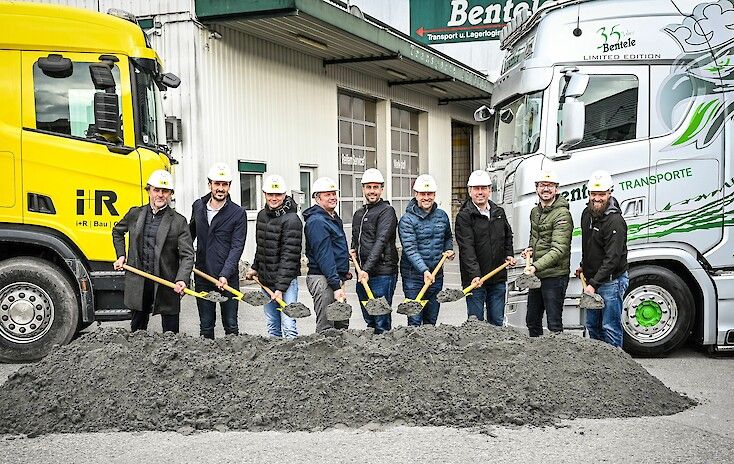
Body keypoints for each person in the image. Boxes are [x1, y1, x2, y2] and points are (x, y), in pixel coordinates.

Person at [112, 170, 194, 333]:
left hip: (167, 283)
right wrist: (121, 256)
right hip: (139, 281)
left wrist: (182, 279)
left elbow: (188, 255)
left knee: (170, 335)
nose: (160, 195)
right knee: (137, 331)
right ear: (148, 190)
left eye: (165, 191)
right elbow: (117, 232)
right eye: (156, 190)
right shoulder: (135, 214)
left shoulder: (178, 221)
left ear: (171, 194)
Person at [189, 163, 246, 339]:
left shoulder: (238, 213)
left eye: (224, 184)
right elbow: (188, 236)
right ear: (210, 184)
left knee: (230, 324)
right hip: (203, 275)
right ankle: (208, 363)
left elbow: (237, 247)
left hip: (227, 278)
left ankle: (233, 362)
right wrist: (183, 260)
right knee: (206, 325)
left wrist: (225, 274)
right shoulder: (198, 206)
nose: (220, 188)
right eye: (217, 184)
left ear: (229, 186)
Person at [455, 169, 516, 326]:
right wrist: (475, 274)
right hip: (476, 279)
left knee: (496, 321)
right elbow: (466, 248)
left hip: (497, 277)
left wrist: (509, 254)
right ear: (470, 191)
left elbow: (507, 236)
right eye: (476, 188)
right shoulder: (464, 216)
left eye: (484, 188)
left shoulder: (499, 212)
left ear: (490, 190)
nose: (480, 192)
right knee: (476, 323)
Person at [576, 170, 629, 348]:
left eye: (601, 194)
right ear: (588, 194)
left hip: (611, 283)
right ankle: (598, 370)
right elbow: (589, 246)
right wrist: (584, 266)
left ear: (609, 193)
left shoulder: (615, 221)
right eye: (593, 194)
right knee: (592, 326)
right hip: (594, 281)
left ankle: (617, 370)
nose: (597, 198)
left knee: (610, 327)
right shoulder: (586, 214)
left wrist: (593, 284)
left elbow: (612, 259)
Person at [246, 174, 302, 338]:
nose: (274, 198)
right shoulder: (262, 215)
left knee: (288, 324)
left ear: (285, 195)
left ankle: (294, 361)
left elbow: (289, 257)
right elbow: (262, 246)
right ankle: (275, 361)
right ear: (264, 194)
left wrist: (280, 289)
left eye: (278, 194)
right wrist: (255, 268)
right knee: (272, 325)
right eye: (270, 194)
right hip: (266, 280)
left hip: (285, 283)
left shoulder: (292, 220)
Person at [398, 174, 454, 326]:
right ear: (416, 195)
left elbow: (448, 237)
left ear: (434, 195)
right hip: (413, 277)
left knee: (431, 319)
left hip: (436, 275)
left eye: (429, 194)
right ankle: (413, 350)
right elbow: (410, 249)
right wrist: (424, 270)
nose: (426, 197)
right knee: (415, 319)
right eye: (423, 194)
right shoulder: (406, 220)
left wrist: (449, 249)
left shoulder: (442, 216)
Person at [522, 169, 573, 337]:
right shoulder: (535, 212)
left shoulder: (562, 214)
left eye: (550, 185)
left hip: (555, 275)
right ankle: (537, 358)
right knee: (532, 320)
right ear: (536, 188)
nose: (546, 189)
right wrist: (530, 250)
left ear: (556, 189)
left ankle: (557, 359)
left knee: (554, 322)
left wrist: (535, 266)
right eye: (542, 185)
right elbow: (535, 237)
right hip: (538, 274)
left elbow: (559, 249)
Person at [350, 168, 399, 334]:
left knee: (381, 319)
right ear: (363, 188)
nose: (372, 191)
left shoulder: (387, 211)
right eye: (368, 187)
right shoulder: (359, 214)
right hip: (363, 273)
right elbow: (356, 237)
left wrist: (366, 269)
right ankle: (371, 354)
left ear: (381, 189)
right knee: (369, 318)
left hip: (382, 273)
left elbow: (381, 241)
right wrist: (353, 249)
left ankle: (384, 353)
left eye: (376, 187)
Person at [304, 176, 351, 332]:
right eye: (327, 194)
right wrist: (336, 286)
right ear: (317, 198)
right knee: (327, 326)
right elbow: (324, 256)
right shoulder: (317, 221)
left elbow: (334, 248)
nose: (332, 197)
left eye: (333, 193)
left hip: (334, 277)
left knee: (341, 323)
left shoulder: (331, 217)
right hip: (323, 279)